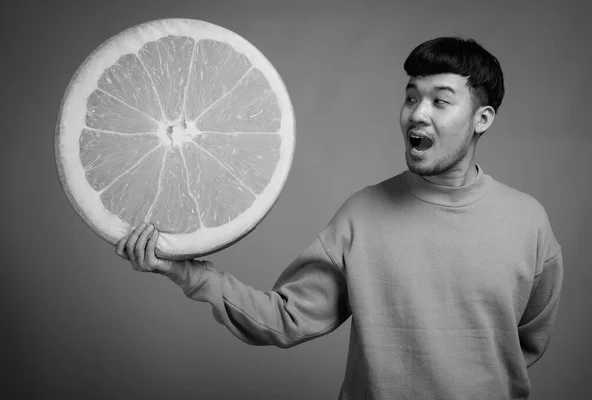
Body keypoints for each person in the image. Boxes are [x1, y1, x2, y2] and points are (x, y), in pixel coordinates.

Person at [116, 37, 563, 400]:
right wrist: (187, 273)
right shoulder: (362, 214)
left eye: (440, 101)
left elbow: (523, 343)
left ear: (482, 119)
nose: (417, 113)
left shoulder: (528, 221)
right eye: (411, 97)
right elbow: (286, 318)